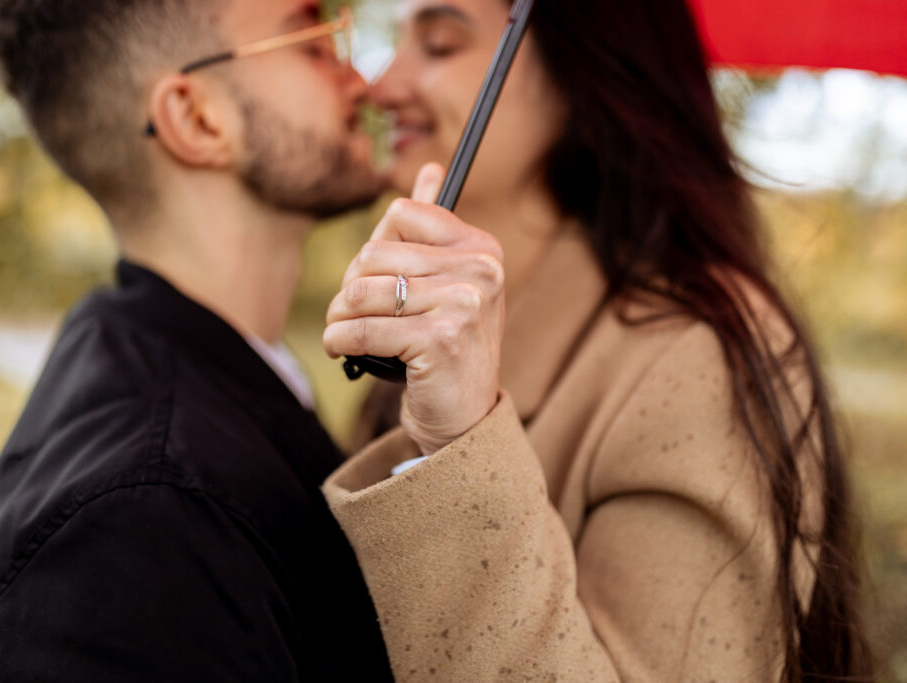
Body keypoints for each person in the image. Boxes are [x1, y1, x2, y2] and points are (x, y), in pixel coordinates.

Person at [321, 0, 871, 680]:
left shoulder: (699, 358)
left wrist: (462, 442)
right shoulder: (416, 350)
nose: (381, 85)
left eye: (439, 44)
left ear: (579, 74)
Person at [0, 1, 396, 680]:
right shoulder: (142, 526)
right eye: (312, 39)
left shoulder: (211, 390)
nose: (366, 82)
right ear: (198, 119)